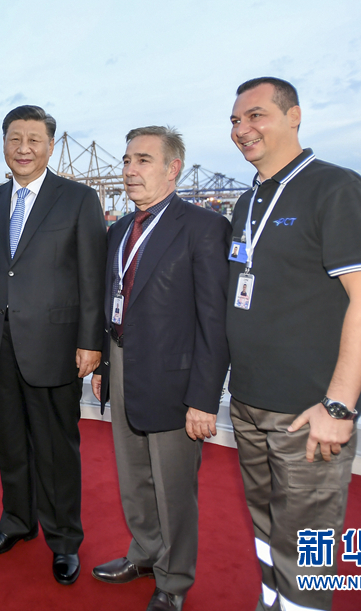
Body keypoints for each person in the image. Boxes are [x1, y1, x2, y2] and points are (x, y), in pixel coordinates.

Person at [226, 77, 361, 611]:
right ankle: (270, 600)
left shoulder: (335, 188)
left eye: (256, 115)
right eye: (235, 120)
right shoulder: (247, 200)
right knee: (266, 528)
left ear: (294, 116)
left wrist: (338, 404)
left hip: (308, 412)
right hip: (248, 403)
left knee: (307, 546)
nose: (242, 129)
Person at [90, 126, 231, 611]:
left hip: (175, 378)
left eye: (143, 160)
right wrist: (105, 364)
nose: (129, 170)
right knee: (133, 476)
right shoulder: (117, 231)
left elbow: (215, 321)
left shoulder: (204, 227)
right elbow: (112, 302)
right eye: (127, 160)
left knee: (173, 488)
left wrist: (204, 398)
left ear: (173, 169)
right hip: (123, 365)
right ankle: (145, 553)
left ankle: (174, 581)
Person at [0, 105, 106, 585]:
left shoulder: (79, 199)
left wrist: (91, 342)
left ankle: (64, 540)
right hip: (0, 342)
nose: (23, 148)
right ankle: (17, 522)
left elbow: (93, 276)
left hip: (56, 343)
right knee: (10, 441)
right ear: (4, 144)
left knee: (55, 448)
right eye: (14, 139)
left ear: (50, 146)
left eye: (33, 140)